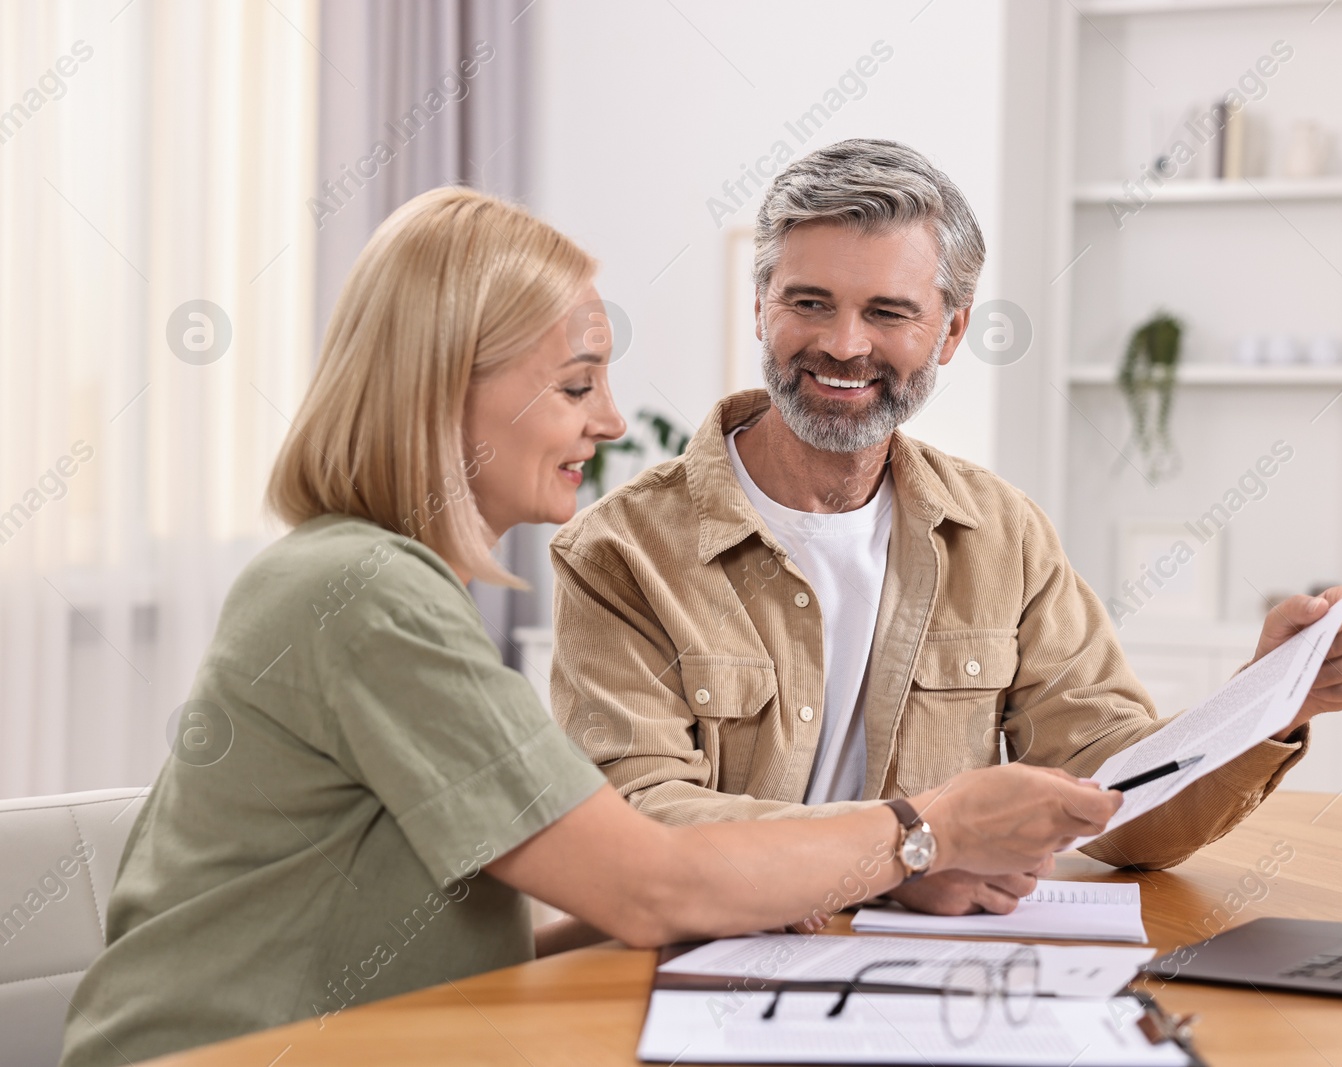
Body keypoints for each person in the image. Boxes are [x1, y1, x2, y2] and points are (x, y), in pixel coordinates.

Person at [57, 187, 1123, 1067]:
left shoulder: (375, 582)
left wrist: (736, 894)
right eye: (575, 382)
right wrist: (922, 830)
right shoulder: (367, 597)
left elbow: (467, 915)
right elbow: (650, 873)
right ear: (442, 390)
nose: (611, 420)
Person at [552, 138, 1342, 920]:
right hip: (705, 978)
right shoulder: (620, 551)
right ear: (763, 305)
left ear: (951, 330)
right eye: (810, 303)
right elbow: (636, 824)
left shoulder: (1001, 534)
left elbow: (1119, 803)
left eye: (888, 312)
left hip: (936, 984)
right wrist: (915, 849)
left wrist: (1268, 701)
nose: (844, 345)